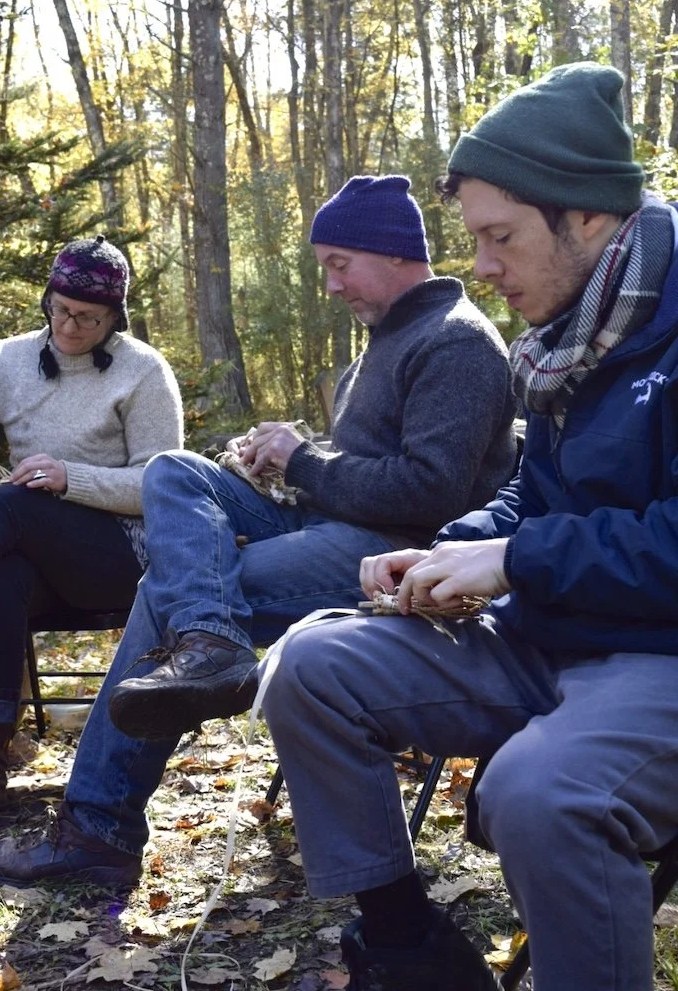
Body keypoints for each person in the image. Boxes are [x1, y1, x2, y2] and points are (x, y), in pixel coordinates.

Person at [0, 172, 517, 889]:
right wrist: (277, 461)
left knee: (170, 593)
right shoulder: (386, 341)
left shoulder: (457, 343)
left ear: (392, 254)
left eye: (337, 265)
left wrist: (305, 459)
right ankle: (208, 642)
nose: (330, 285)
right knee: (175, 470)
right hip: (333, 521)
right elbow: (363, 464)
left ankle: (98, 826)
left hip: (394, 555)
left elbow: (429, 490)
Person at [260, 62, 678, 991]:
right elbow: (537, 493)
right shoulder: (571, 335)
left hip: (659, 654)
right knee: (312, 666)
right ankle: (412, 949)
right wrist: (457, 545)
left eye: (500, 237)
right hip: (550, 630)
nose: (481, 267)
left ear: (590, 217)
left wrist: (515, 556)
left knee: (539, 794)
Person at [0, 235, 183, 832]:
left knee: (13, 505)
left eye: (88, 317)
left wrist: (72, 478)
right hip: (41, 565)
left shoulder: (143, 370)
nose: (70, 326)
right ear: (48, 298)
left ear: (114, 316)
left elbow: (164, 484)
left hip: (122, 558)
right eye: (61, 309)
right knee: (2, 575)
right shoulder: (9, 358)